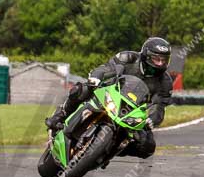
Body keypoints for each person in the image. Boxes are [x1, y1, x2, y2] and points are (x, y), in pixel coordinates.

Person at [45, 37, 173, 159]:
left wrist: (152, 120)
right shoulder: (127, 58)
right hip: (110, 93)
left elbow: (159, 106)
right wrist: (96, 77)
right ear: (146, 55)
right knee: (81, 90)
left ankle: (111, 149)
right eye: (157, 59)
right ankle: (61, 115)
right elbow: (107, 68)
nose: (161, 63)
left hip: (133, 112)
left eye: (164, 60)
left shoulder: (165, 82)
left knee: (148, 147)